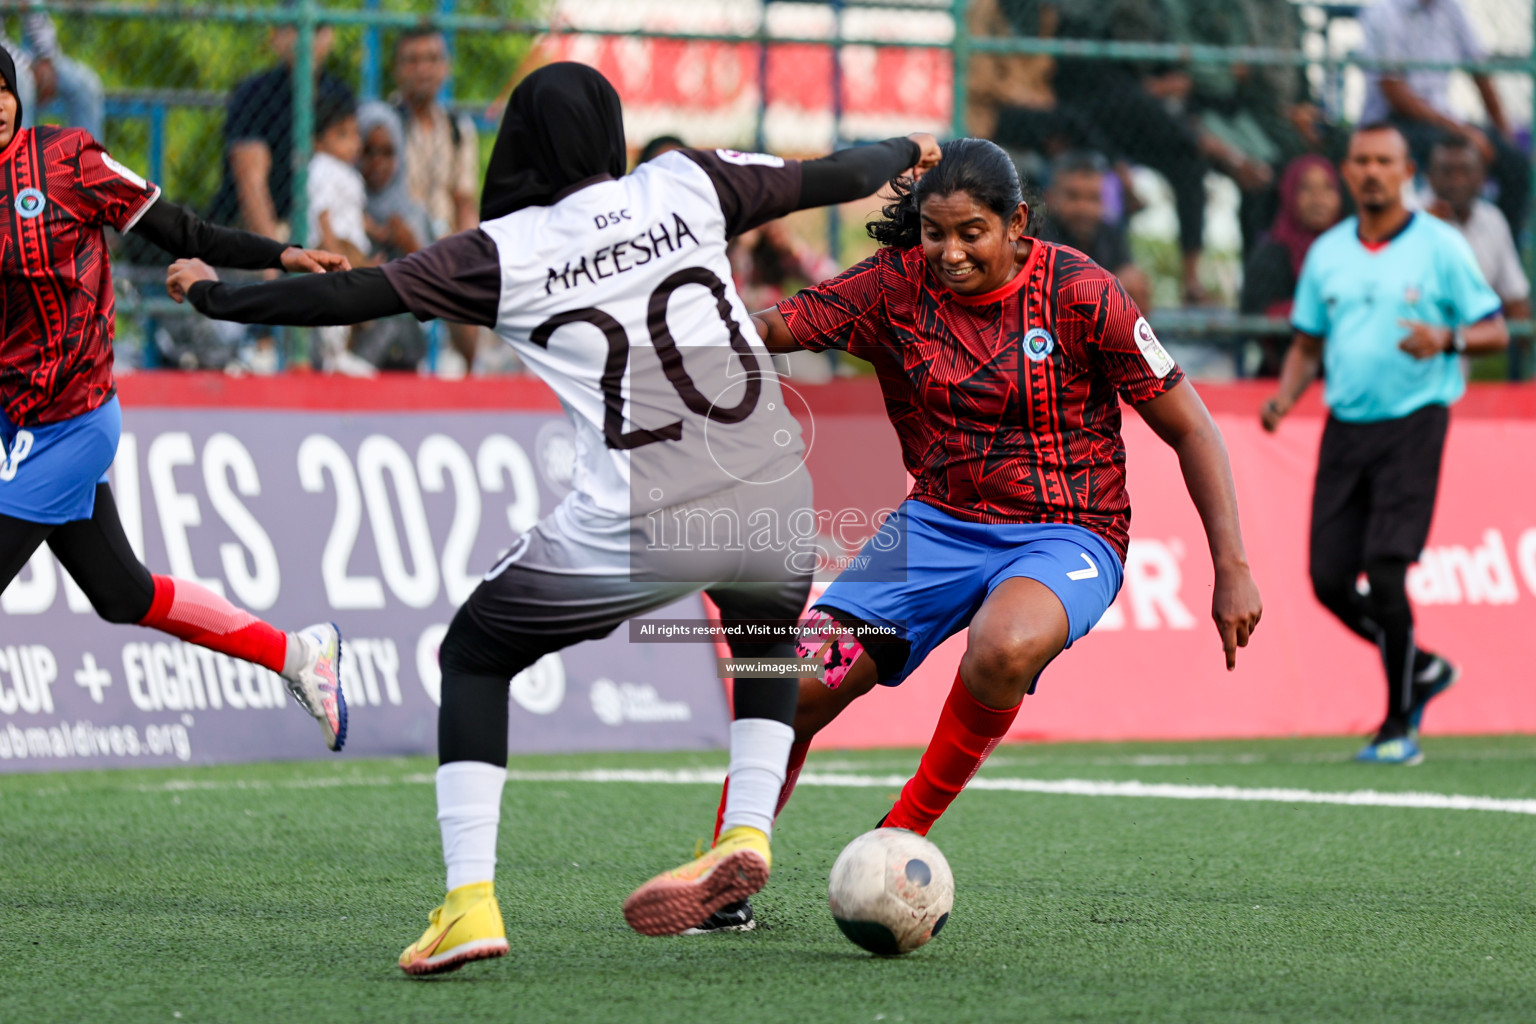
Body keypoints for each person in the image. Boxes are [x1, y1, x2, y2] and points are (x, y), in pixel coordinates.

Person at [164, 62, 943, 973]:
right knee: (765, 636)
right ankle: (748, 829)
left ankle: (469, 903)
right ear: (610, 133)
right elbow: (835, 175)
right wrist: (908, 152)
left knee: (476, 653)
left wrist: (218, 293)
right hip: (776, 481)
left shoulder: (503, 250)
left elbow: (351, 295)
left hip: (646, 509)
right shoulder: (687, 180)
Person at [691, 137, 1264, 932]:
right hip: (932, 527)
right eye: (935, 233)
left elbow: (1192, 428)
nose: (951, 252)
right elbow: (777, 326)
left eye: (972, 233)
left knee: (1003, 646)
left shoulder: (1082, 293)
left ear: (1017, 224)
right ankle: (722, 872)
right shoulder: (893, 285)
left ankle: (903, 837)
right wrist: (672, 339)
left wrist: (1230, 564)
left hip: (1067, 532)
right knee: (787, 688)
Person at [0, 51, 349, 754]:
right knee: (122, 593)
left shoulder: (67, 162)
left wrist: (282, 255)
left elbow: (183, 231)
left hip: (72, 421)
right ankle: (298, 656)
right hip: (14, 427)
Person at [1261, 123, 1507, 766]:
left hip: (1415, 420)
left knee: (1389, 570)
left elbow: (1496, 330)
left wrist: (1446, 340)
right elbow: (1309, 341)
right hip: (1347, 426)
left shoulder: (1440, 246)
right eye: (1361, 160)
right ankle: (1420, 666)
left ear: (1406, 171)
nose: (1371, 171)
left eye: (1384, 161)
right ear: (1348, 170)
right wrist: (1286, 396)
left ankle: (1400, 725)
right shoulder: (1329, 252)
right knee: (1328, 578)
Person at [1359, 0, 1529, 248]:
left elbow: (1479, 71)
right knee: (1449, 160)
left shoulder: (1451, 9)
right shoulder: (1384, 11)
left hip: (1441, 120)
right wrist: (1464, 132)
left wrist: (1504, 133)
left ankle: (1502, 255)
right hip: (1393, 121)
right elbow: (1394, 92)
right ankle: (1420, 245)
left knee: (1515, 164)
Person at [208, 18, 352, 237]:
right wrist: (274, 259)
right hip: (259, 228)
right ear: (276, 36)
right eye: (296, 28)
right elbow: (250, 182)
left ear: (330, 36)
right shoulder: (254, 93)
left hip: (324, 226)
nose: (307, 39)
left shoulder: (339, 93)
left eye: (317, 29)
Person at [391, 25, 481, 369]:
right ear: (397, 70)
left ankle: (473, 379)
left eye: (431, 59)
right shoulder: (386, 123)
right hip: (397, 240)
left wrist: (469, 256)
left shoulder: (458, 129)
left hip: (444, 244)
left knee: (474, 293)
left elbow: (464, 202)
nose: (423, 69)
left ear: (446, 67)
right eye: (412, 61)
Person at [1241, 154, 1343, 376]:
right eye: (1307, 189)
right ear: (1289, 193)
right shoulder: (1271, 254)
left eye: (1328, 189)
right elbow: (1253, 316)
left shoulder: (1350, 252)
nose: (1319, 199)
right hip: (1280, 375)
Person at [1424, 136, 1531, 322]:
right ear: (1430, 177)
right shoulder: (1410, 217)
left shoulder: (1492, 219)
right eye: (1447, 171)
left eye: (1465, 170)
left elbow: (1515, 295)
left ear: (1482, 176)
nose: (1456, 180)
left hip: (1478, 336)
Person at [1035, 150, 1153, 311]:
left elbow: (1129, 280)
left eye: (1093, 198)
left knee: (1135, 284)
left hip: (1100, 325)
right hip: (1048, 329)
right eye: (1073, 196)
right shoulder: (1036, 235)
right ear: (1050, 197)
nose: (1084, 208)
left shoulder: (1112, 233)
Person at [0, 9, 104, 138]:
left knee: (86, 86)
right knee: (21, 83)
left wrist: (47, 59)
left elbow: (37, 15)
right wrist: (28, 67)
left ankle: (85, 157)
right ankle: (18, 157)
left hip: (24, 59)